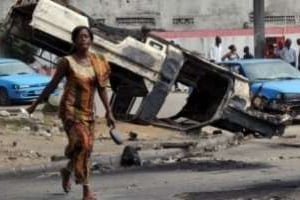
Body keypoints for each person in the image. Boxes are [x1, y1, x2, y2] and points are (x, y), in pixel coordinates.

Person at [26, 26, 115, 200]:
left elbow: (102, 88)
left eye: (87, 36)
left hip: (89, 111)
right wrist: (35, 104)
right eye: (80, 37)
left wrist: (109, 112)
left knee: (86, 149)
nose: (84, 39)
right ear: (74, 41)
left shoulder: (98, 61)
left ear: (91, 40)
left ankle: (67, 170)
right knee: (82, 144)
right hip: (70, 111)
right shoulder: (67, 61)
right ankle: (86, 191)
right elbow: (52, 85)